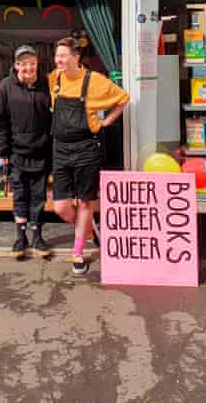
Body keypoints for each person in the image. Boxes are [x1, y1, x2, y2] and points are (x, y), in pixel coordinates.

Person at [50, 36, 129, 275]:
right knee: (61, 207)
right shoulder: (55, 79)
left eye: (63, 56)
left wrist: (107, 121)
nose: (59, 60)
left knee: (85, 202)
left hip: (86, 148)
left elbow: (123, 99)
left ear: (76, 58)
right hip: (60, 148)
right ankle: (88, 230)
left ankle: (78, 251)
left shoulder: (95, 81)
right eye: (57, 56)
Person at [0, 44, 53, 259]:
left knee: (38, 196)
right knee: (20, 195)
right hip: (17, 153)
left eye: (32, 63)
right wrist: (2, 151)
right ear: (16, 65)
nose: (28, 67)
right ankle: (20, 237)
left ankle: (37, 236)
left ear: (37, 64)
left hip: (42, 151)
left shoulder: (47, 85)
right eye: (23, 63)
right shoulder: (5, 87)